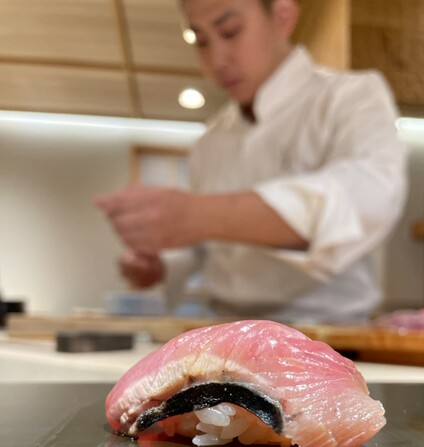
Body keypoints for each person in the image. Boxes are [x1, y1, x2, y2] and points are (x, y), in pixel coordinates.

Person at [95, 0, 407, 324]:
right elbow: (206, 248)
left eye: (230, 31)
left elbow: (367, 198)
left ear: (282, 16)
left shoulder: (351, 97)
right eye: (201, 41)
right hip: (224, 329)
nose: (216, 61)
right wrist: (161, 263)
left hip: (327, 330)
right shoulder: (210, 140)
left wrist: (195, 214)